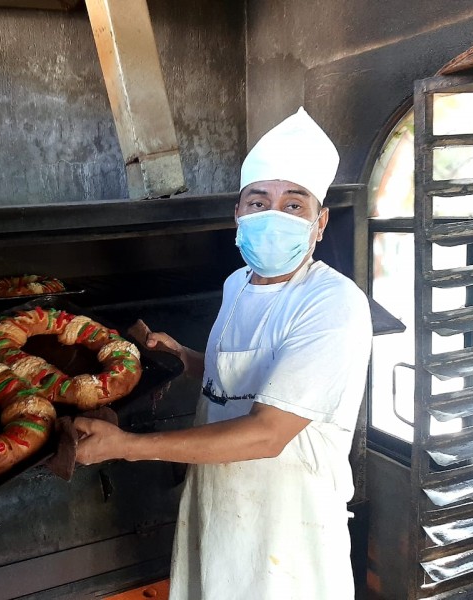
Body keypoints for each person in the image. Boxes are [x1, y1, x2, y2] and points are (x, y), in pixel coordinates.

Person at [74, 107, 373, 600]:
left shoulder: (333, 303)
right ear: (237, 215)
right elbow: (235, 377)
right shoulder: (237, 283)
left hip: (288, 531)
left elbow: (267, 433)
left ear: (320, 223)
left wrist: (124, 444)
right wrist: (185, 356)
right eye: (258, 202)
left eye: (293, 205)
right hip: (219, 502)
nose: (272, 216)